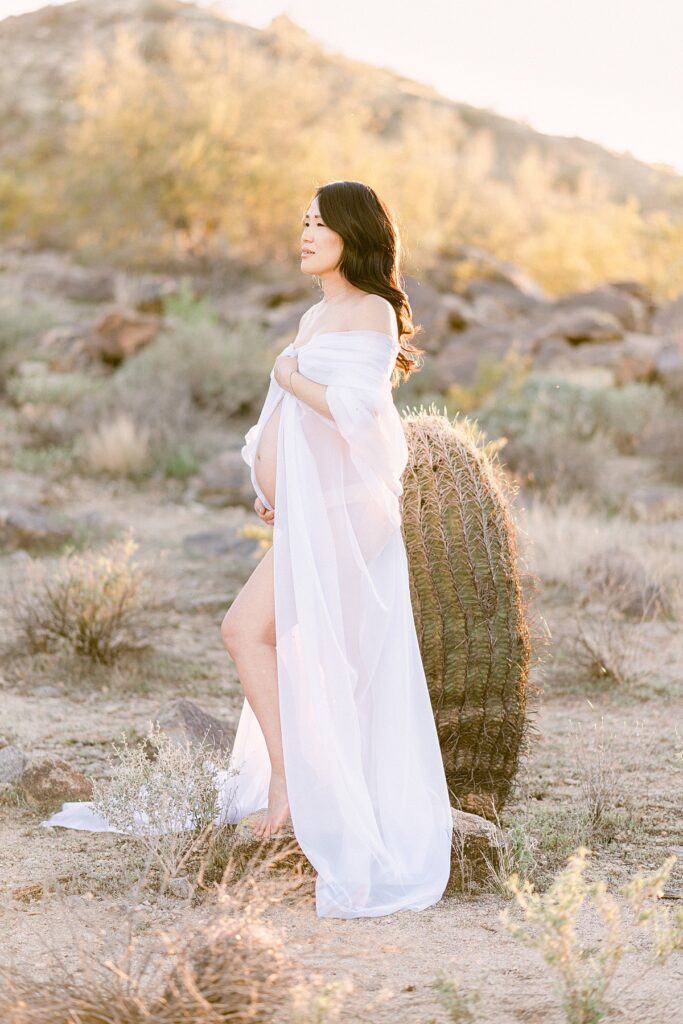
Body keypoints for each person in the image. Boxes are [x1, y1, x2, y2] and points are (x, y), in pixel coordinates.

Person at [220, 180, 454, 918]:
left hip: (348, 512)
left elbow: (355, 409)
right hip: (309, 510)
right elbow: (279, 415)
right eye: (303, 222)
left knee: (258, 632)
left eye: (320, 223)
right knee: (282, 638)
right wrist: (268, 474)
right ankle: (297, 779)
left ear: (353, 234)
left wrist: (289, 372)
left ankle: (296, 783)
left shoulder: (371, 311)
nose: (305, 232)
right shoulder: (316, 311)